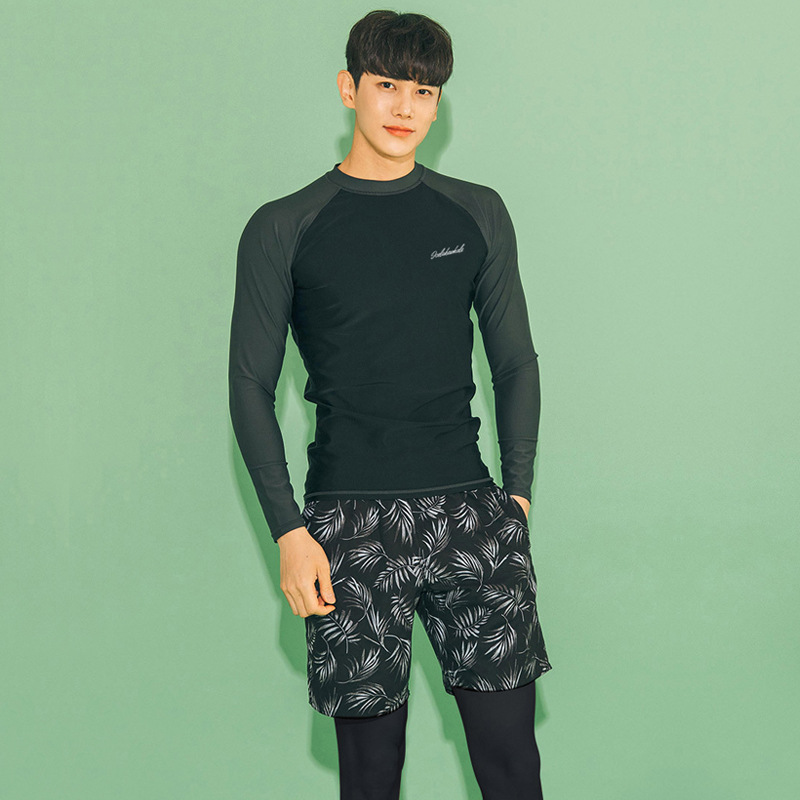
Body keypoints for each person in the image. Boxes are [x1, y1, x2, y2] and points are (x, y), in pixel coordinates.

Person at [228, 9, 552, 799]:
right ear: (349, 89)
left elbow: (514, 361)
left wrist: (516, 495)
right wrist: (289, 532)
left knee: (513, 766)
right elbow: (249, 387)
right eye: (387, 86)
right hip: (347, 531)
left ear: (438, 103)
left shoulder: (476, 212)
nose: (406, 107)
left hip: (472, 519)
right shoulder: (283, 227)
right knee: (371, 777)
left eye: (424, 92)